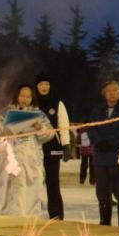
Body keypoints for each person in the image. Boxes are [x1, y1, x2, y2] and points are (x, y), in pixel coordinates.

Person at [0, 83, 54, 217]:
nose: (25, 99)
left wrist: (39, 128)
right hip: (10, 157)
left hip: (30, 159)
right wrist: (10, 127)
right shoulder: (5, 112)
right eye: (22, 96)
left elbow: (50, 134)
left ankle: (29, 218)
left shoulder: (39, 115)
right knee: (7, 188)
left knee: (30, 190)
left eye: (28, 96)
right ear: (17, 96)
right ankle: (6, 216)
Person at [88, 80, 119, 227]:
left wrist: (111, 142)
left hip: (118, 155)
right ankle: (104, 221)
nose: (112, 93)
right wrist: (98, 141)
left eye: (115, 90)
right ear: (104, 93)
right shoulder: (97, 110)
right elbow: (91, 128)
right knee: (102, 191)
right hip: (100, 157)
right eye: (109, 90)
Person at [34, 74, 71, 220]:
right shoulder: (32, 102)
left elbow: (63, 124)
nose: (44, 87)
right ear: (36, 86)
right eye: (41, 84)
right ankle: (33, 213)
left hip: (52, 147)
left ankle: (56, 216)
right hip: (34, 148)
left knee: (53, 183)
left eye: (47, 84)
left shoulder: (57, 102)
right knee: (34, 182)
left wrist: (66, 144)